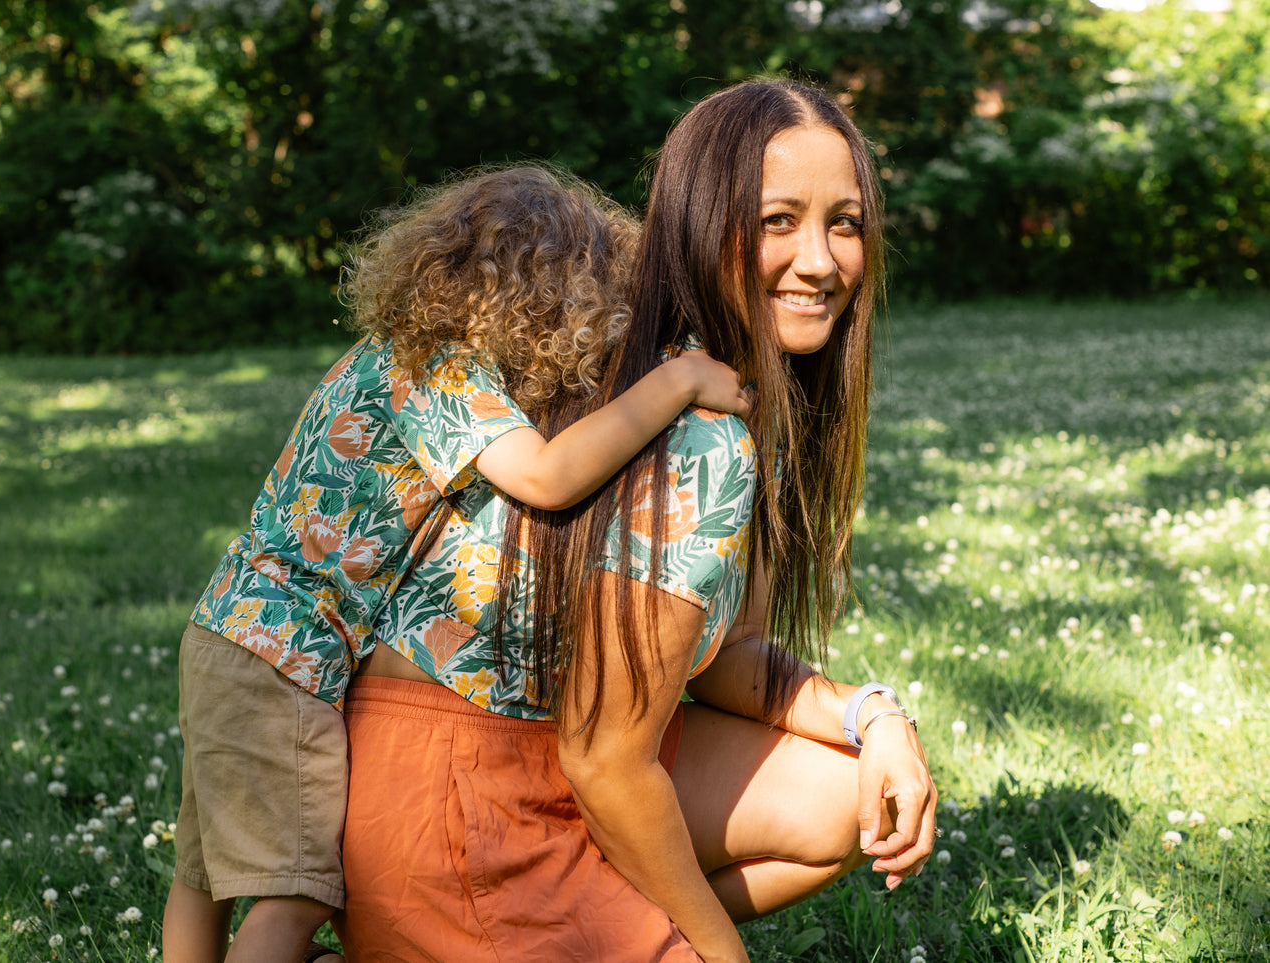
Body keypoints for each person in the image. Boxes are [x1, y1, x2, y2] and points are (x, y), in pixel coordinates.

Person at [334, 77, 939, 963]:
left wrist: (875, 717)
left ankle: (610, 916)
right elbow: (607, 759)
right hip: (456, 800)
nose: (819, 260)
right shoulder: (693, 423)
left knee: (842, 793)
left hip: (557, 762)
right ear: (701, 223)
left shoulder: (731, 399)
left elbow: (729, 655)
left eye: (843, 222)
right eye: (778, 221)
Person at [160, 165, 751, 963]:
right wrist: (678, 380)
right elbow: (546, 477)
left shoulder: (382, 352)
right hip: (288, 655)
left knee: (203, 873)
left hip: (228, 631)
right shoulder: (438, 370)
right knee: (290, 895)